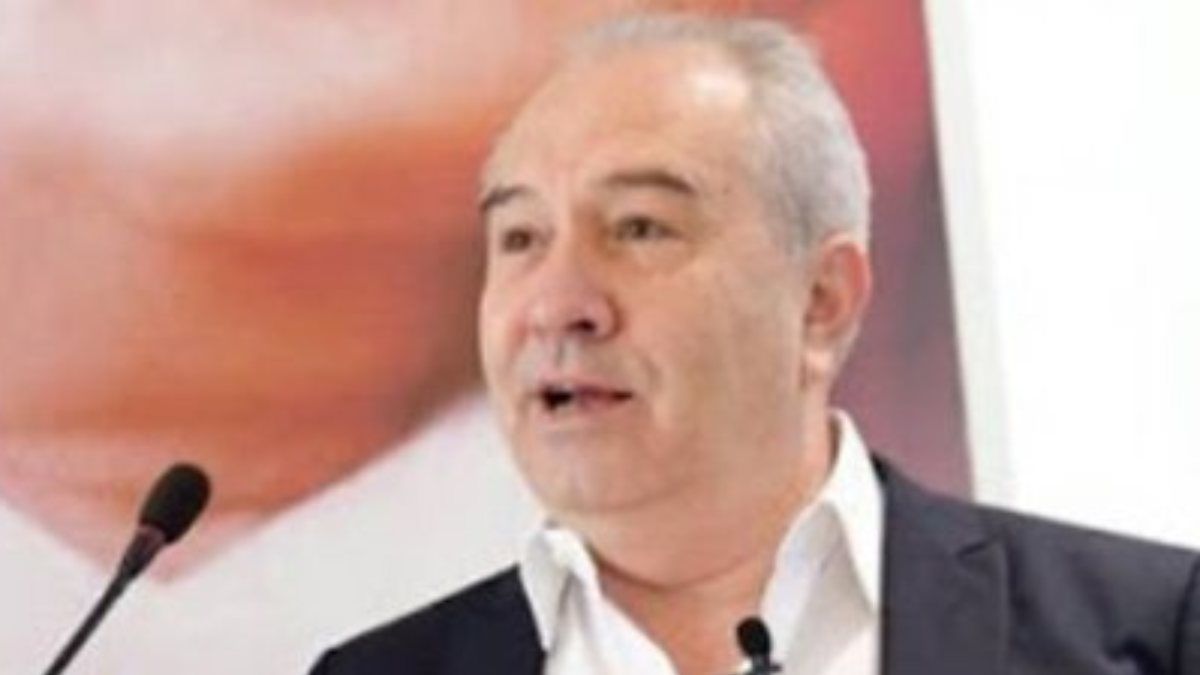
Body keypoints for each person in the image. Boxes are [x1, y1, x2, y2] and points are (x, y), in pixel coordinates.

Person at [310, 13, 1200, 675]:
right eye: (519, 238)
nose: (556, 304)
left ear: (821, 301)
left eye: (640, 226)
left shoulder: (1148, 632)